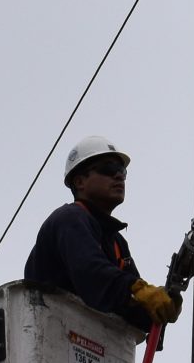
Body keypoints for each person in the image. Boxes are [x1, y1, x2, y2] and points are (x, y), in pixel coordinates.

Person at [24, 135, 181, 333]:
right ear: (80, 181)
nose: (119, 176)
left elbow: (127, 306)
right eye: (108, 169)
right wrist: (137, 289)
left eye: (122, 171)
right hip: (49, 335)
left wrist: (158, 307)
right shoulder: (69, 219)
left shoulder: (116, 242)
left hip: (86, 346)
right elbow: (91, 272)